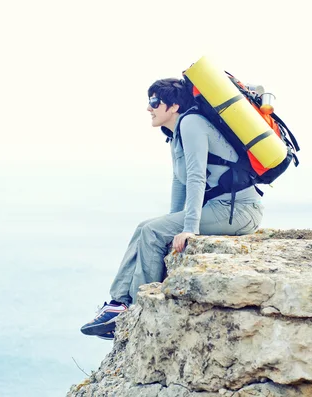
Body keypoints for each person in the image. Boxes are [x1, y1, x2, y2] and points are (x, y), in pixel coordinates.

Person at [80, 78, 264, 341]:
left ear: (174, 105)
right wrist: (173, 222)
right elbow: (180, 182)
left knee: (153, 231)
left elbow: (197, 176)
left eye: (155, 102)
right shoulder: (174, 134)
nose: (149, 108)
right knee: (147, 227)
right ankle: (118, 302)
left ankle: (135, 309)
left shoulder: (192, 124)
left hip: (239, 211)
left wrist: (189, 229)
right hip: (221, 208)